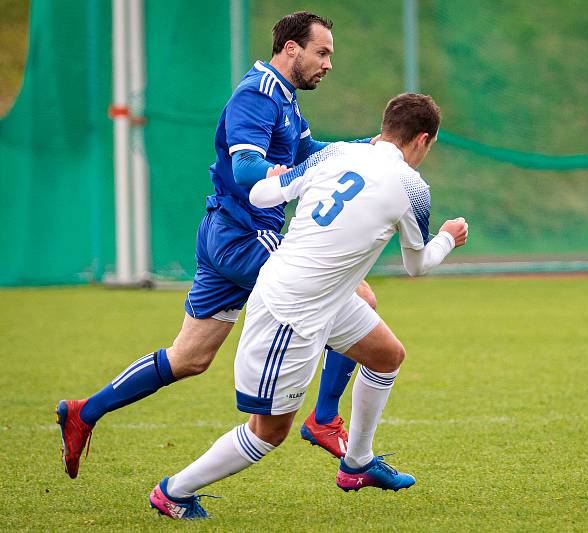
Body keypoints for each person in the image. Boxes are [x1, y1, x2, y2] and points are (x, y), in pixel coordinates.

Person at [56, 11, 373, 478]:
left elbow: (308, 152)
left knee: (189, 358)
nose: (327, 63)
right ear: (291, 49)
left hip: (226, 235)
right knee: (358, 295)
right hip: (246, 235)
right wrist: (299, 178)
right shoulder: (257, 96)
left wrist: (372, 149)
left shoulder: (283, 97)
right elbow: (247, 170)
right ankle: (323, 419)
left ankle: (84, 412)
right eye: (321, 52)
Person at [148, 93, 468, 519]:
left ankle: (357, 464)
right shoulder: (413, 188)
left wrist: (281, 175)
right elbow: (418, 264)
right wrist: (447, 236)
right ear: (423, 140)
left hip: (320, 296)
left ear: (385, 125)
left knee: (386, 355)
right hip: (290, 311)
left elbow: (262, 195)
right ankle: (173, 491)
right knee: (268, 433)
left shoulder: (337, 153)